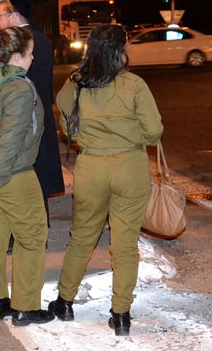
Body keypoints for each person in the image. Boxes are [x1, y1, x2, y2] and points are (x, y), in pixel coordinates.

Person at [50, 24, 163, 336]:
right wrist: (128, 136)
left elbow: (67, 129)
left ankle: (65, 301)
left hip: (91, 167)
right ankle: (121, 314)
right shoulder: (134, 84)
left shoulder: (75, 84)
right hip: (129, 167)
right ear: (120, 50)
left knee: (82, 238)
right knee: (125, 244)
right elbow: (154, 132)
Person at [0, 26, 54, 327]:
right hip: (10, 174)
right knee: (32, 237)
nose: (32, 59)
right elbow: (10, 138)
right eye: (29, 54)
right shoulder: (18, 89)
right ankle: (25, 307)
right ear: (16, 56)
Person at [0, 0, 65, 215]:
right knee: (38, 172)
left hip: (25, 115)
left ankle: (31, 224)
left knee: (26, 172)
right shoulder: (40, 37)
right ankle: (38, 220)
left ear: (13, 13)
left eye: (0, 13)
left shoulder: (21, 42)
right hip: (39, 112)